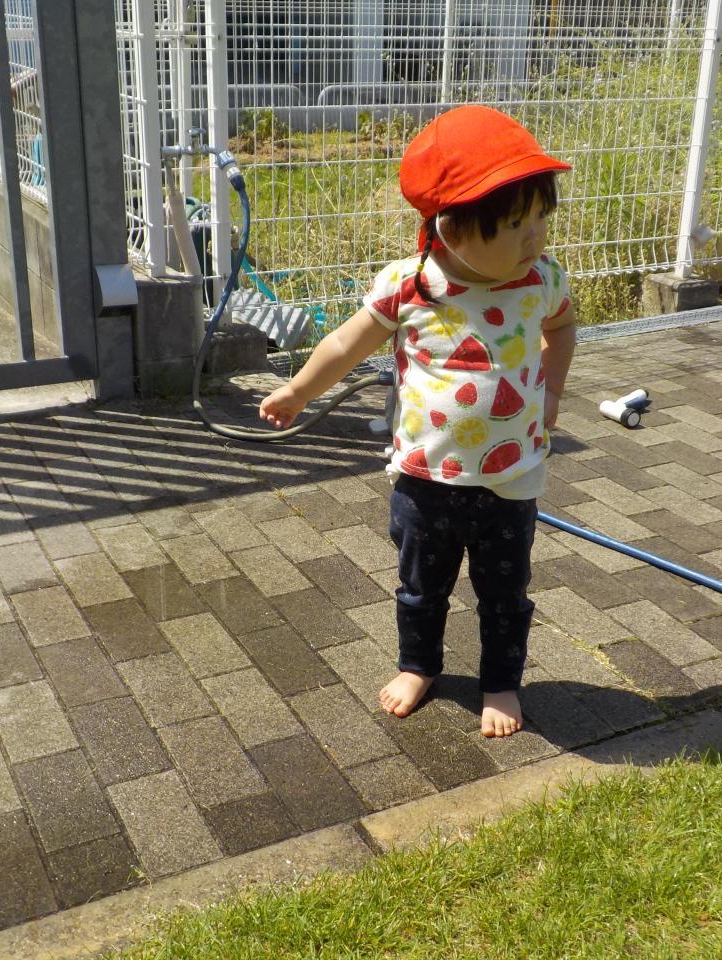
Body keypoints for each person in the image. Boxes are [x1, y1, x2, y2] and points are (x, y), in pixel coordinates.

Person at [259, 105, 577, 738]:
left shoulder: (541, 280)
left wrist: (550, 393)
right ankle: (418, 664)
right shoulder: (411, 286)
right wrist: (298, 391)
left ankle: (501, 681)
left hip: (513, 477)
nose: (535, 238)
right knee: (420, 587)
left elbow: (563, 328)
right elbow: (345, 344)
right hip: (425, 478)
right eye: (515, 225)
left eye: (542, 218)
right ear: (450, 228)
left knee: (505, 594)